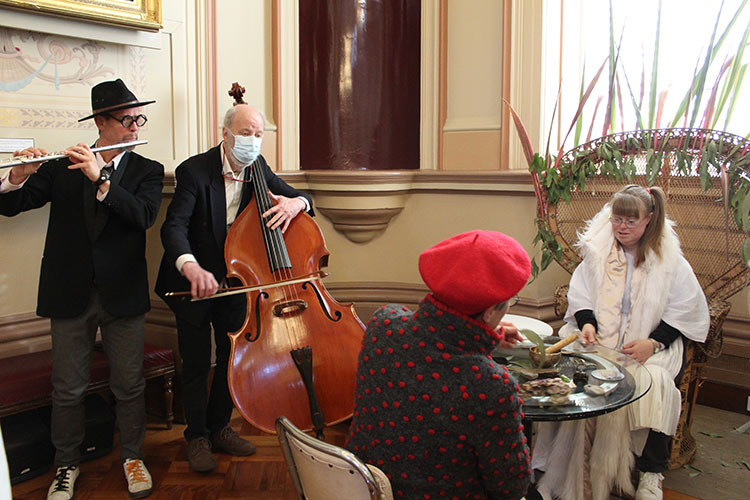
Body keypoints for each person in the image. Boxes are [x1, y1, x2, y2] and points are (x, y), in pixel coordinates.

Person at [0, 79, 164, 499]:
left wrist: (103, 178)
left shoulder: (147, 170)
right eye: (127, 119)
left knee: (129, 384)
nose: (134, 127)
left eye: (137, 118)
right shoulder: (61, 166)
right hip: (69, 291)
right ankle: (66, 465)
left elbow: (144, 216)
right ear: (102, 122)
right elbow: (11, 205)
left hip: (122, 294)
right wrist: (18, 176)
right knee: (67, 387)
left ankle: (132, 457)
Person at [155, 102, 314, 473]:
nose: (252, 141)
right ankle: (196, 436)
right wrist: (190, 266)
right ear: (225, 134)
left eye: (258, 135)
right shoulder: (194, 170)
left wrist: (296, 203)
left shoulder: (258, 168)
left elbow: (307, 201)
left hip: (236, 282)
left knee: (231, 359)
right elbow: (173, 227)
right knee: (197, 362)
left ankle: (219, 427)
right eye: (245, 133)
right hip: (193, 282)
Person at [531, 185, 710, 500]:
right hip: (600, 341)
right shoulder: (598, 253)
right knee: (567, 376)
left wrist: (653, 344)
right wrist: (587, 324)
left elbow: (686, 309)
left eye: (631, 221)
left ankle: (652, 472)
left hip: (649, 346)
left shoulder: (670, 261)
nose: (622, 228)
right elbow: (581, 293)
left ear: (649, 220)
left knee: (658, 385)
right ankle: (555, 468)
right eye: (617, 219)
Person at [346, 230, 533, 500]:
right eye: (508, 304)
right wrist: (482, 333)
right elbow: (510, 488)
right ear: (490, 311)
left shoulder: (382, 324)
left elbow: (433, 340)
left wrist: (487, 334)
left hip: (360, 488)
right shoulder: (492, 387)